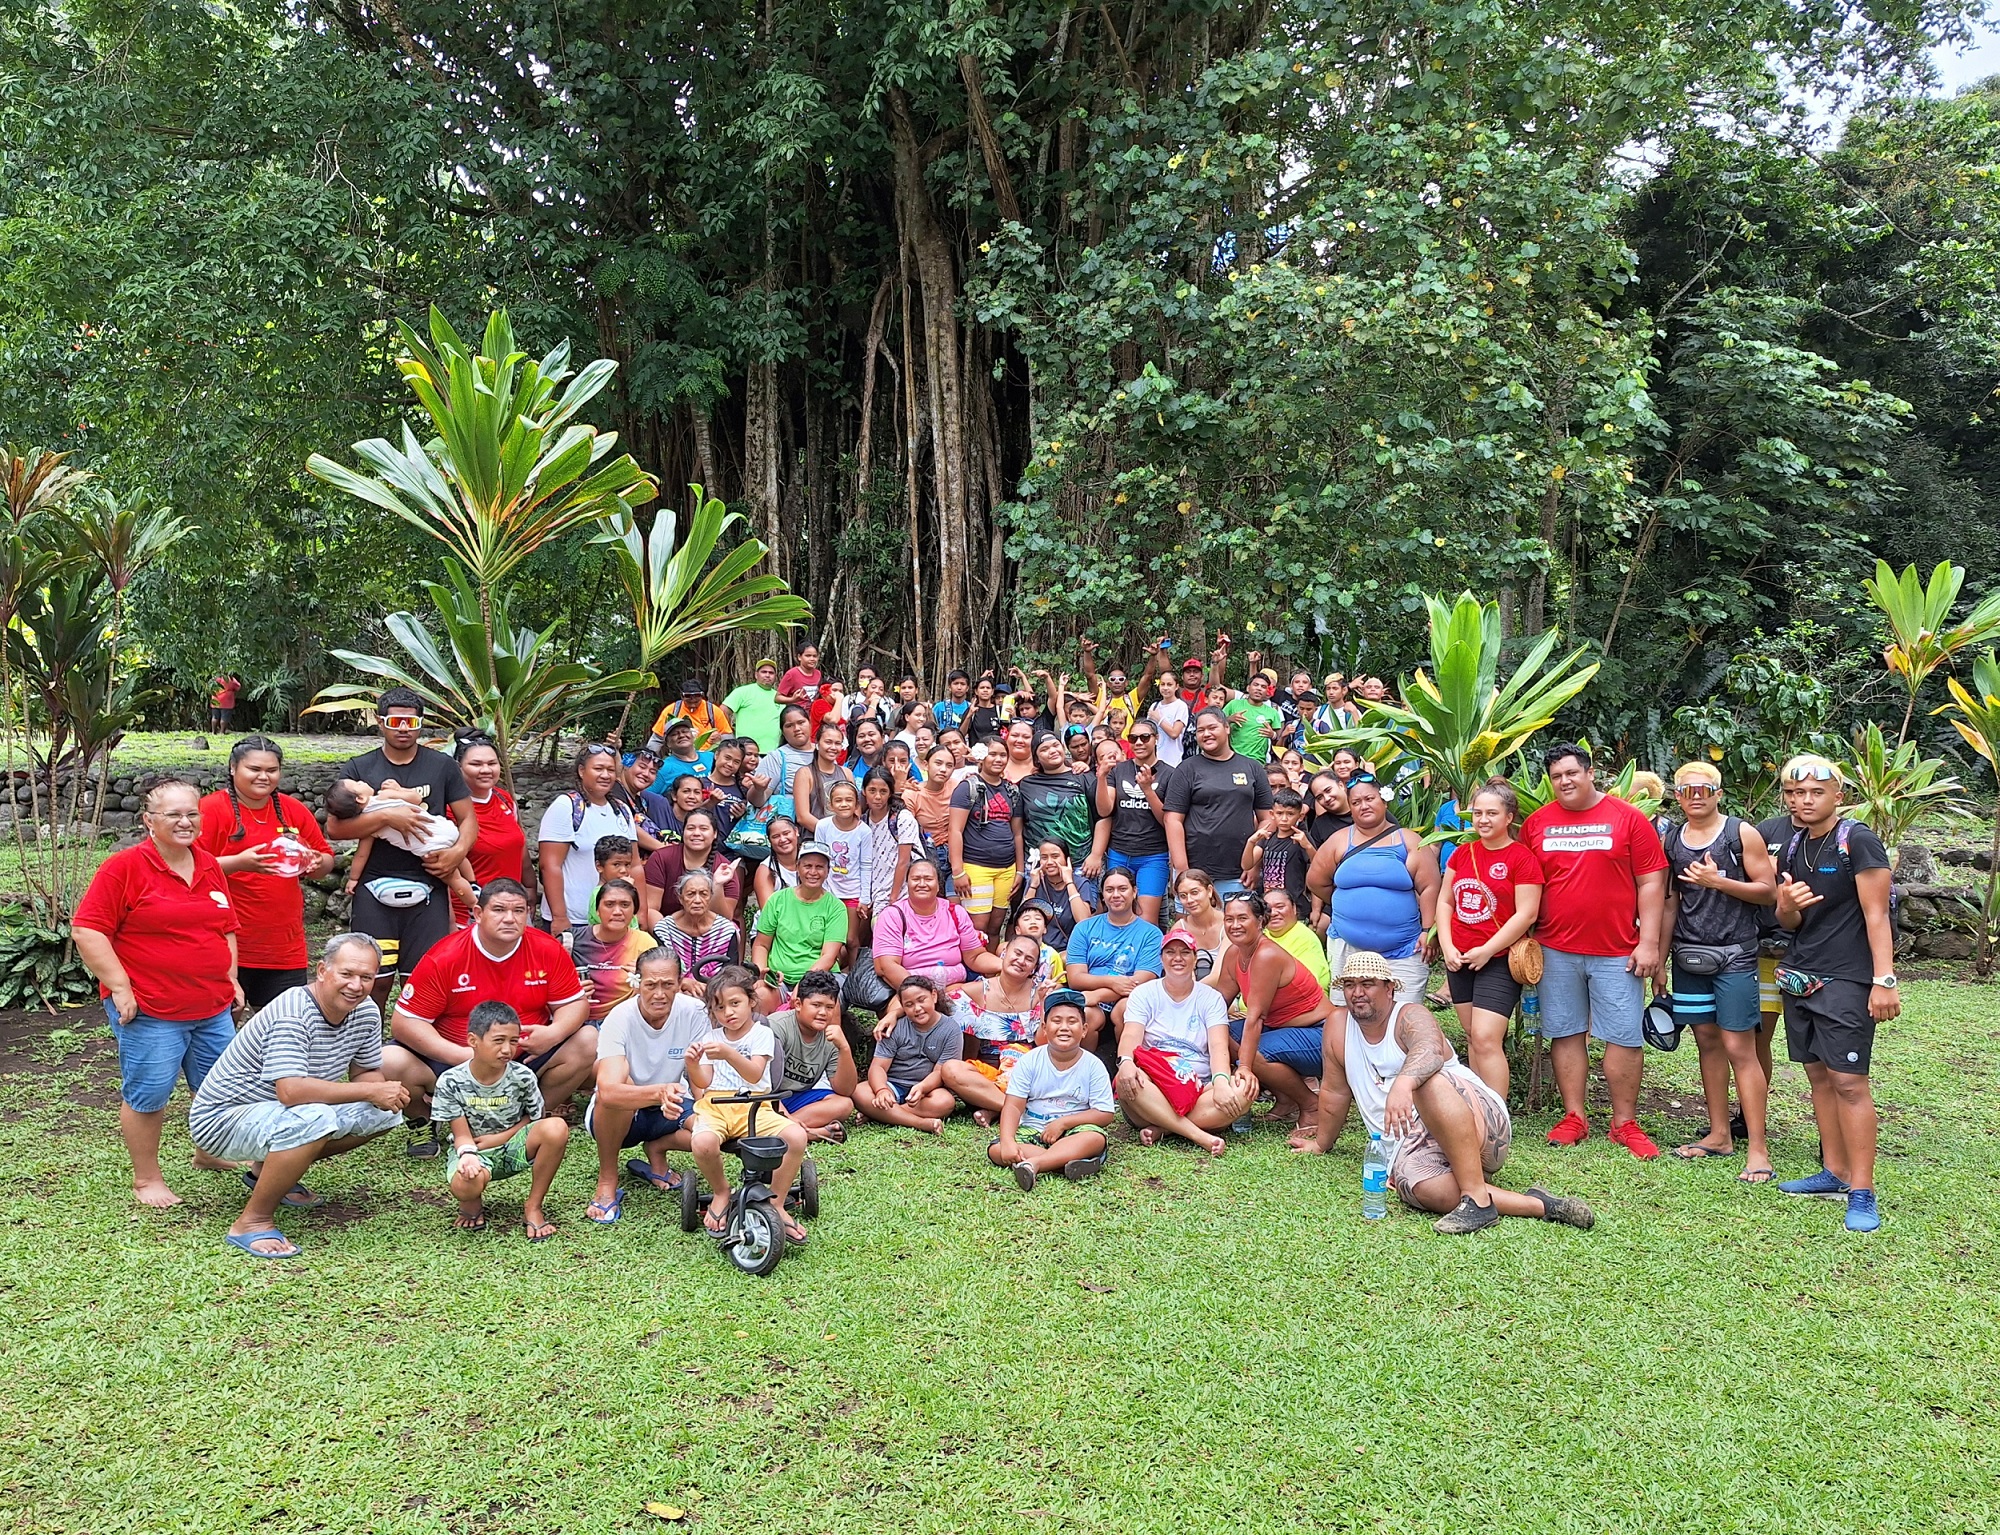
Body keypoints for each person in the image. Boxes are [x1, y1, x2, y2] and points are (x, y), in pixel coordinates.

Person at [1293, 951, 1597, 1235]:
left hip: (1475, 1121)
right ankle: (1540, 1204)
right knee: (1427, 1191)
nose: (1357, 992)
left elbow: (1429, 1050)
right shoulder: (1338, 1025)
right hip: (1408, 1144)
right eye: (1350, 984)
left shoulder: (1410, 1014)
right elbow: (1334, 1090)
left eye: (1368, 984)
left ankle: (1477, 1199)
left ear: (1389, 989)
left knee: (1427, 1080)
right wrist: (1321, 1143)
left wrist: (1404, 1082)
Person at [74, 778, 245, 1208]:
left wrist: (233, 978)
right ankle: (146, 1180)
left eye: (192, 813)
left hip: (211, 1005)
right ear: (149, 821)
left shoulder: (207, 864)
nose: (185, 822)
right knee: (150, 1095)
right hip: (152, 1008)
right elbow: (88, 930)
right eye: (174, 815)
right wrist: (120, 987)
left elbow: (224, 928)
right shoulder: (124, 867)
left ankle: (209, 1151)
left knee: (221, 1088)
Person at [186, 934, 408, 1257]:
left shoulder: (367, 1012)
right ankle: (252, 1221)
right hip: (223, 1119)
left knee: (384, 1113)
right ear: (322, 971)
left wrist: (385, 1093)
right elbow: (290, 1091)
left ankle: (270, 1170)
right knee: (316, 1117)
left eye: (366, 977)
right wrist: (372, 1089)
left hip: (277, 1114)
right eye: (346, 974)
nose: (356, 986)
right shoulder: (294, 1010)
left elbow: (365, 1073)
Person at [1520, 743, 1668, 1159]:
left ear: (1590, 774)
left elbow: (1652, 883)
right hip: (1555, 947)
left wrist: (1649, 942)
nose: (1565, 781)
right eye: (1557, 776)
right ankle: (1574, 1117)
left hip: (1617, 950)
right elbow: (1526, 883)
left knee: (1623, 1035)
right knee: (1565, 1031)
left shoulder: (1628, 819)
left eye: (1572, 773)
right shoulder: (1537, 824)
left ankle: (1625, 1123)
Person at [1770, 755, 1898, 1232]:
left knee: (1849, 1082)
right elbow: (1792, 922)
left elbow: (1877, 915)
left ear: (1837, 796)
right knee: (1819, 1078)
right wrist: (1784, 905)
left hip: (1846, 978)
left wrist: (1882, 978)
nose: (1804, 801)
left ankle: (1862, 1191)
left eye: (1815, 793)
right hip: (1801, 974)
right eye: (1794, 793)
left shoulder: (1858, 841)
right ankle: (1835, 1172)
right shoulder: (1795, 844)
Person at [383, 879, 594, 1157]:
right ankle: (423, 1123)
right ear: (478, 914)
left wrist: (553, 1034)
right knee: (390, 1060)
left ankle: (525, 1123)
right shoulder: (445, 956)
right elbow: (405, 1022)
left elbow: (575, 1004)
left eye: (519, 911)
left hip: (524, 1057)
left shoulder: (546, 948)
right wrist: (463, 1056)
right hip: (456, 1062)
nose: (510, 918)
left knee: (588, 1040)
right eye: (498, 910)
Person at [1661, 762, 1778, 1179]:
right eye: (1687, 790)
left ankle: (1758, 1149)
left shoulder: (1740, 833)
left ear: (1718, 793)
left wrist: (1719, 882)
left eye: (1704, 789)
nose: (1696, 796)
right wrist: (1660, 958)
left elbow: (1768, 891)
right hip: (1689, 955)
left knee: (1739, 1047)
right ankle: (1718, 1134)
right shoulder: (1672, 840)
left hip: (1735, 955)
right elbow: (1671, 902)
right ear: (1676, 796)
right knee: (1707, 1043)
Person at [326, 688, 478, 993]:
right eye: (395, 721)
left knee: (424, 981)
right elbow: (335, 828)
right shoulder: (359, 769)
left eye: (411, 722)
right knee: (371, 982)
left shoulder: (442, 766)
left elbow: (468, 819)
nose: (404, 729)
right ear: (381, 723)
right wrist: (386, 818)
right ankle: (366, 1040)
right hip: (375, 885)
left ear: (421, 723)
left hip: (431, 882)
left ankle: (415, 1041)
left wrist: (457, 852)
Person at [198, 735, 335, 1010]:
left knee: (283, 1025)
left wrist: (316, 862)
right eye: (254, 769)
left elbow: (326, 860)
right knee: (224, 1025)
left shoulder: (292, 809)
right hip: (224, 942)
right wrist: (239, 862)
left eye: (271, 771)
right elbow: (189, 867)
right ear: (233, 768)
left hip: (283, 947)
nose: (264, 777)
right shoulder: (210, 809)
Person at [685, 966, 811, 1245]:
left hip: (756, 1106)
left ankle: (777, 1201)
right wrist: (693, 1065)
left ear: (751, 1001)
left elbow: (754, 1074)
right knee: (702, 1142)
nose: (728, 1012)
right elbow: (704, 1080)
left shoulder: (760, 1033)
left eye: (735, 1003)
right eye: (719, 1008)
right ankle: (720, 1191)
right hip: (716, 1105)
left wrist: (729, 1054)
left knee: (796, 1136)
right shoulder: (711, 1039)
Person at [1435, 779, 1543, 1096]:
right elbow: (1445, 901)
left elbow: (1527, 914)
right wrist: (1447, 945)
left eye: (1492, 813)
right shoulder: (1462, 854)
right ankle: (1479, 1104)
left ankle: (1496, 1113)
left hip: (1496, 959)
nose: (1483, 820)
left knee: (1485, 1037)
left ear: (1509, 817)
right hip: (1460, 957)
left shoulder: (1521, 858)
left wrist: (1487, 950)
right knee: (1471, 1035)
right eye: (1478, 813)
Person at [584, 947, 706, 1222]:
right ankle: (607, 1181)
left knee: (710, 1129)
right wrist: (657, 1092)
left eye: (668, 985)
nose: (659, 994)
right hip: (621, 1116)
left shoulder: (695, 1012)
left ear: (680, 983)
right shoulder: (620, 1017)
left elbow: (701, 1077)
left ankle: (657, 1148)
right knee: (618, 1087)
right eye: (651, 985)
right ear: (638, 982)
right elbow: (609, 1091)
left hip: (669, 1106)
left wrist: (706, 1113)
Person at [433, 1000, 571, 1240]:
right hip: (475, 1149)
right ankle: (471, 1202)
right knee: (465, 1184)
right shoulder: (450, 1081)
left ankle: (534, 1206)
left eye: (513, 1041)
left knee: (556, 1127)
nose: (507, 1050)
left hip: (514, 1146)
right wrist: (467, 1156)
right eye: (498, 1041)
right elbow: (461, 1132)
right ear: (473, 1041)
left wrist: (502, 1137)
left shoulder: (523, 1076)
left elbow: (535, 1119)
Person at [1115, 927, 1254, 1154]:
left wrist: (1220, 1080)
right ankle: (1198, 1135)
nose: (1177, 958)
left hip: (1197, 1086)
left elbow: (1219, 1046)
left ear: (1194, 958)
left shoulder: (1211, 997)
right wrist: (1127, 1061)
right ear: (1161, 958)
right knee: (1127, 1078)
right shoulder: (1144, 993)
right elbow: (1131, 1034)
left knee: (1243, 1089)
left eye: (1184, 952)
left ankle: (1164, 1128)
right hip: (1155, 1085)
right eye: (1170, 952)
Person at [1305, 777, 1440, 1010]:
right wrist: (1348, 907)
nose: (1363, 805)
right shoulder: (1338, 841)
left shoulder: (1408, 840)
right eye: (1356, 802)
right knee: (1347, 1011)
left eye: (1369, 799)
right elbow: (1316, 881)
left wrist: (1428, 929)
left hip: (1404, 946)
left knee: (1405, 1013)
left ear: (1384, 801)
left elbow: (1429, 887)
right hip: (1348, 943)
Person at [1209, 889, 1335, 1127]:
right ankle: (1285, 1098)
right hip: (1281, 1028)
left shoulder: (1266, 954)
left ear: (1260, 921)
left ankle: (1311, 1105)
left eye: (1242, 918)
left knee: (1252, 1052)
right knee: (1220, 1034)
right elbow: (1215, 1006)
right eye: (1229, 919)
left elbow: (1255, 1019)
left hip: (1321, 1033)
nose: (1235, 925)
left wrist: (1244, 1067)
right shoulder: (1234, 954)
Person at [987, 990, 1115, 1191]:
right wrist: (1008, 1140)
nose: (1064, 1027)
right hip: (1032, 1128)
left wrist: (1063, 1123)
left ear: (1084, 1029)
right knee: (997, 1149)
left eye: (1072, 1021)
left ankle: (1035, 1164)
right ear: (1045, 1028)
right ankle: (1063, 1163)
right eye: (1056, 1021)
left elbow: (1105, 1113)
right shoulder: (1030, 1060)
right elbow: (1013, 1106)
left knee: (1095, 1139)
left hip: (1074, 1131)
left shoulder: (1093, 1065)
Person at [939, 933, 1049, 1124]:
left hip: (1026, 1073)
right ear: (1004, 954)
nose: (1021, 961)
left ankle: (996, 1109)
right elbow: (928, 999)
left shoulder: (1041, 993)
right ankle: (1019, 1111)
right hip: (987, 1077)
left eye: (1029, 959)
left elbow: (1044, 1043)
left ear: (1034, 968)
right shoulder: (977, 990)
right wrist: (893, 1014)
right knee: (951, 1069)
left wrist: (1045, 1003)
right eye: (1017, 953)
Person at [1163, 707, 1273, 889]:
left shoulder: (1252, 767)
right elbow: (1172, 819)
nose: (1206, 734)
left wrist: (1254, 861)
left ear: (1227, 728)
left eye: (1212, 728)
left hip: (1239, 872)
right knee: (1191, 918)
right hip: (1195, 871)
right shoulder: (1186, 769)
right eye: (1200, 730)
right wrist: (1182, 869)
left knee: (1238, 917)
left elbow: (1268, 818)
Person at [537, 743, 638, 933]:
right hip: (574, 919)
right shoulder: (566, 807)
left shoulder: (622, 810)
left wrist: (641, 913)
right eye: (598, 769)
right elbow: (550, 865)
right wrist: (559, 917)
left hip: (616, 919)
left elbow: (636, 865)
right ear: (582, 771)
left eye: (610, 770)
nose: (605, 775)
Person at [1062, 867, 1162, 1045]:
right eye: (1109, 890)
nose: (1116, 895)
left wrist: (1099, 995)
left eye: (1122, 889)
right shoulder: (1084, 928)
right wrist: (1112, 981)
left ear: (1134, 891)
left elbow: (1140, 981)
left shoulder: (1151, 934)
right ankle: (1084, 1068)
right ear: (1103, 894)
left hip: (1124, 999)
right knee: (1085, 1015)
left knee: (1126, 1009)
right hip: (1089, 998)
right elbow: (1076, 978)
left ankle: (1126, 1064)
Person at [871, 859, 996, 989]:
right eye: (915, 879)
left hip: (955, 987)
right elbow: (886, 966)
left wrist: (1004, 965)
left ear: (938, 885)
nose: (922, 884)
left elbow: (975, 956)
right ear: (907, 884)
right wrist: (924, 995)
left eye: (928, 879)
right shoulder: (892, 915)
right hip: (909, 992)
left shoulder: (955, 912)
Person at [858, 975, 961, 1133]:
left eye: (922, 1000)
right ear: (902, 1007)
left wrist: (923, 1087)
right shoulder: (895, 1027)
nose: (917, 1008)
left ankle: (880, 1114)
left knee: (945, 1101)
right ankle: (920, 1123)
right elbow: (878, 1067)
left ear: (933, 996)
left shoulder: (950, 1029)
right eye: (909, 1004)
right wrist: (881, 1090)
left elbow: (940, 1071)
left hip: (926, 1091)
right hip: (893, 1085)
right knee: (859, 1091)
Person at [769, 970, 860, 1142]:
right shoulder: (777, 1027)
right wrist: (785, 1115)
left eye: (829, 1007)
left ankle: (783, 1130)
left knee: (844, 1104)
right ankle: (808, 1133)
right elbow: (761, 1084)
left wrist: (844, 1049)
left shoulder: (831, 1036)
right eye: (816, 1005)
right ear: (798, 1004)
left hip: (794, 1098)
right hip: (765, 1097)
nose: (823, 1013)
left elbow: (845, 1090)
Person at [1096, 726, 1174, 926]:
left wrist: (1148, 789)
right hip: (1119, 852)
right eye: (1133, 738)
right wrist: (1102, 778)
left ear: (1156, 739)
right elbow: (1105, 810)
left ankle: (1146, 957)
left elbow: (1166, 820)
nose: (1138, 742)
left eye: (1144, 737)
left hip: (1153, 854)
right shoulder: (1119, 770)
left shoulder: (1170, 773)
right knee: (1118, 912)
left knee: (1146, 918)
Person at [949, 741, 1026, 942]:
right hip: (976, 866)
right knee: (977, 927)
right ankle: (973, 971)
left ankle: (989, 971)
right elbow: (955, 830)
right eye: (993, 754)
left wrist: (1019, 870)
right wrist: (958, 871)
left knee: (995, 926)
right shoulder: (967, 788)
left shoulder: (1012, 791)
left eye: (1003, 755)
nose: (998, 759)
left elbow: (1017, 833)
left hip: (1007, 869)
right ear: (982, 757)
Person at [452, 731, 531, 923]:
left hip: (512, 907)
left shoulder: (504, 798)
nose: (486, 770)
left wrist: (529, 889)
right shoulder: (450, 807)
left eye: (492, 763)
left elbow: (519, 850)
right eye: (476, 764)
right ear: (458, 766)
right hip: (471, 913)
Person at [750, 840, 846, 993]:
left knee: (818, 1003)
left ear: (828, 871)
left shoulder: (836, 908)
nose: (813, 872)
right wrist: (762, 975)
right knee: (760, 996)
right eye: (807, 866)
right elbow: (761, 945)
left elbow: (829, 956)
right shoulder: (777, 900)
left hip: (819, 978)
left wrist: (803, 986)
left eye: (820, 867)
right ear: (797, 868)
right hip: (778, 977)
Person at [565, 878, 657, 1022]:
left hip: (627, 1021)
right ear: (597, 910)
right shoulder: (572, 940)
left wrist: (645, 979)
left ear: (634, 911)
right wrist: (570, 990)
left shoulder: (645, 943)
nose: (617, 912)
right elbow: (548, 984)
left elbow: (659, 989)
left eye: (625, 905)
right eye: (609, 904)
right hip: (577, 1020)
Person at [642, 808, 743, 927]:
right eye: (690, 828)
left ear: (715, 834)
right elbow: (651, 909)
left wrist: (717, 885)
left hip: (710, 935)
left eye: (703, 829)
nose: (696, 833)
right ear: (683, 832)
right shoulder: (661, 857)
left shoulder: (724, 869)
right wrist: (667, 938)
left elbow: (724, 919)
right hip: (665, 931)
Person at [1019, 733, 1101, 872]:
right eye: (1044, 749)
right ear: (1036, 759)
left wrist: (1096, 855)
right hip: (1039, 866)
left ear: (1063, 748)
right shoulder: (1026, 784)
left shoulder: (1085, 777)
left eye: (1056, 745)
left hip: (1080, 865)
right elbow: (1019, 825)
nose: (1052, 751)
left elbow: (1102, 817)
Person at [653, 870, 744, 993]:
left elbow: (731, 972)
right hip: (676, 991)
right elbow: (660, 969)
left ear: (710, 897)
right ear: (680, 898)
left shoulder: (726, 930)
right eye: (690, 894)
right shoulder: (664, 929)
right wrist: (682, 982)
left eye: (703, 894)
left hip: (717, 993)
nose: (697, 900)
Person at [1242, 786, 1315, 916]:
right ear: (1272, 814)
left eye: (1290, 814)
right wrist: (1251, 842)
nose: (1284, 819)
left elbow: (1318, 866)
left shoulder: (1301, 838)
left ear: (1300, 816)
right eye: (1280, 813)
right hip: (1268, 906)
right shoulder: (1267, 838)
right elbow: (1247, 864)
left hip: (1295, 908)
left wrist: (1307, 846)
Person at [1018, 839, 1098, 950]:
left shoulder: (1080, 883)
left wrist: (1069, 882)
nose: (1049, 862)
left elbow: (1083, 920)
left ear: (1067, 860)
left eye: (1055, 856)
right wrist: (1033, 886)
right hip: (1037, 948)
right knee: (1003, 948)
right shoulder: (1035, 881)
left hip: (1068, 949)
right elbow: (1022, 918)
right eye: (1044, 858)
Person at [792, 716, 854, 838]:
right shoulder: (805, 774)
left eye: (838, 743)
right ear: (817, 743)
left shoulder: (846, 773)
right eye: (828, 742)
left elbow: (855, 809)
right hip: (814, 839)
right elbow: (803, 817)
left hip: (845, 839)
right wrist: (831, 834)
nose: (833, 747)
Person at [1262, 885, 1331, 992]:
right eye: (1268, 909)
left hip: (1301, 1002)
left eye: (1280, 907)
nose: (1273, 913)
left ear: (1294, 908)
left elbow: (1307, 984)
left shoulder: (1305, 938)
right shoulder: (1261, 936)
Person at [1220, 653, 1285, 763]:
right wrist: (1229, 719)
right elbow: (1216, 724)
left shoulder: (1273, 711)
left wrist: (1272, 735)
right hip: (1232, 759)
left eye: (1263, 687)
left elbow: (1279, 738)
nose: (1259, 689)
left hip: (1259, 762)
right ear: (1248, 688)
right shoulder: (1234, 704)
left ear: (1267, 691)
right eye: (1256, 685)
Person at [615, 748, 677, 854]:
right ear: (626, 764)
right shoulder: (614, 791)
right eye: (642, 767)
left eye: (652, 772)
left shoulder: (640, 798)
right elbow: (625, 825)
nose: (646, 774)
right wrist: (663, 848)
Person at [648, 674, 731, 751]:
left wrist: (720, 739)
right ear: (682, 696)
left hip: (707, 755)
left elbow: (729, 738)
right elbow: (656, 740)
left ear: (702, 696)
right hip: (679, 756)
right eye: (688, 698)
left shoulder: (713, 710)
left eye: (697, 698)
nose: (693, 701)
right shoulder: (671, 710)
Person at [1172, 869, 1228, 982]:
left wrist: (1195, 993)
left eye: (1194, 892)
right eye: (1183, 896)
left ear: (1209, 891)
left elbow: (1219, 974)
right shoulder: (1179, 929)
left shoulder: (1228, 924)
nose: (1189, 900)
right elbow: (1180, 973)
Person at [723, 659, 786, 752]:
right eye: (764, 672)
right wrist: (729, 734)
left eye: (771, 673)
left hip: (773, 751)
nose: (767, 675)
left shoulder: (780, 697)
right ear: (756, 675)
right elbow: (722, 711)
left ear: (775, 676)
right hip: (745, 751)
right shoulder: (742, 692)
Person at [649, 716, 715, 794]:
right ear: (668, 743)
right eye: (674, 734)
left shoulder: (711, 757)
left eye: (685, 731)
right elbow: (646, 796)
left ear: (693, 736)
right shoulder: (664, 768)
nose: (681, 735)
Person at [754, 814, 805, 904]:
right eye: (776, 836)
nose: (782, 839)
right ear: (769, 840)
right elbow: (768, 912)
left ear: (796, 831)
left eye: (786, 833)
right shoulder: (766, 870)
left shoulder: (812, 858)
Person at [1306, 772, 1352, 847]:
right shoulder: (1320, 825)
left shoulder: (1363, 810)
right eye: (1320, 797)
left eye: (1328, 790)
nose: (1327, 798)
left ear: (1341, 785)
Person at [777, 643, 826, 708]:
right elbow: (777, 698)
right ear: (799, 657)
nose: (812, 659)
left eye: (814, 656)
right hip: (797, 714)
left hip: (814, 714)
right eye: (808, 656)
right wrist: (792, 699)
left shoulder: (818, 674)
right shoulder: (792, 674)